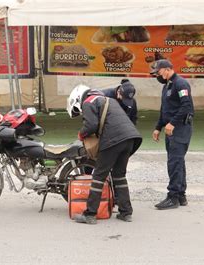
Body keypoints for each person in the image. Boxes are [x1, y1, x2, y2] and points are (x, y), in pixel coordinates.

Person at [66, 84, 142, 224]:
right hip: (130, 139)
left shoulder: (89, 102)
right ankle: (126, 213)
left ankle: (90, 214)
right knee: (119, 176)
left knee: (98, 176)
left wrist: (81, 134)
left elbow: (91, 125)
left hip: (114, 140)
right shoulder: (108, 99)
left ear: (78, 98)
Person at [150, 59, 194, 210]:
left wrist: (173, 123)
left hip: (180, 129)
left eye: (159, 72)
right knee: (178, 162)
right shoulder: (167, 85)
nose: (157, 75)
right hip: (171, 129)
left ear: (167, 69)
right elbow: (165, 109)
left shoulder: (181, 84)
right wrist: (158, 127)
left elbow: (186, 106)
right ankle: (181, 195)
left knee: (174, 162)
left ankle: (173, 197)